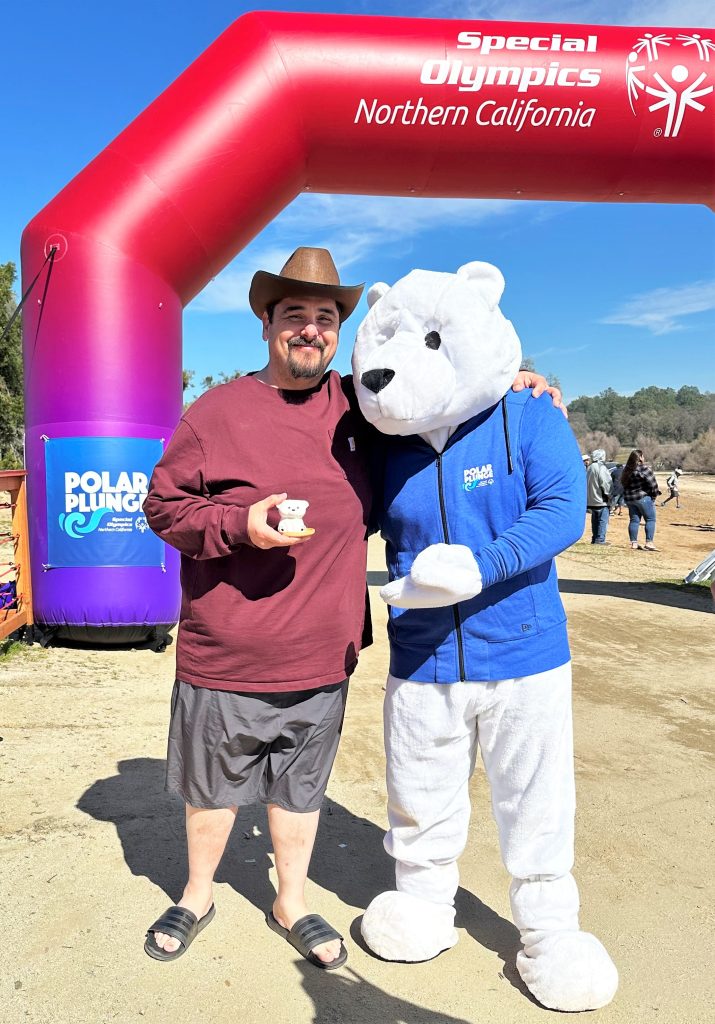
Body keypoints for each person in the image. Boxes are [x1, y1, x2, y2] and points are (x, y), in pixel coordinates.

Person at [141, 247, 564, 968]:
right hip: (227, 648)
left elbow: (441, 401)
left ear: (339, 331)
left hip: (322, 652)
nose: (310, 330)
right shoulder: (215, 412)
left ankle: (291, 900)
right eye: (294, 315)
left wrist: (516, 384)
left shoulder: (358, 411)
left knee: (300, 790)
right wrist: (239, 525)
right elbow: (163, 506)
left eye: (325, 318)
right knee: (214, 788)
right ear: (267, 325)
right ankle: (196, 894)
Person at [621, 449, 661, 551]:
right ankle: (649, 542)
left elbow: (623, 484)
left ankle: (634, 543)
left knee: (634, 520)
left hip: (630, 499)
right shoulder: (644, 469)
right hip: (643, 497)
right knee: (650, 519)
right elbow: (653, 484)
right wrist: (654, 495)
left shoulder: (626, 470)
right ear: (640, 458)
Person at [585, 448, 612, 544]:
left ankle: (595, 538)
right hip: (601, 499)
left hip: (591, 499)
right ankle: (600, 539)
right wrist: (609, 495)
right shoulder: (601, 467)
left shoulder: (590, 467)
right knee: (602, 520)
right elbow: (605, 483)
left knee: (595, 520)